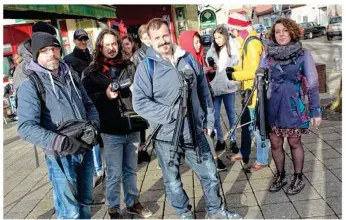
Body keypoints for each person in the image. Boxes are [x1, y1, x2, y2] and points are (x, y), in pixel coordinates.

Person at [132, 18, 241, 219]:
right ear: (150, 40)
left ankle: (216, 211)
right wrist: (170, 114)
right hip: (166, 137)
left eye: (165, 35)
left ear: (170, 34)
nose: (163, 41)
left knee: (210, 175)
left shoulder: (188, 58)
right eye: (157, 38)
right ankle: (184, 214)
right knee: (172, 181)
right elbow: (140, 103)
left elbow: (203, 91)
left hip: (195, 131)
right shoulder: (146, 67)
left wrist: (208, 120)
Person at [17, 32, 100, 219]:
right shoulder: (30, 85)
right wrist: (61, 142)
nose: (51, 54)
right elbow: (25, 127)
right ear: (37, 55)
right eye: (45, 51)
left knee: (86, 202)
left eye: (54, 49)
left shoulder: (71, 75)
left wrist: (94, 126)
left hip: (84, 149)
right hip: (60, 156)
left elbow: (88, 104)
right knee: (69, 211)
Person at [82, 29, 152, 219]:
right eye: (107, 45)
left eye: (114, 44)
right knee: (113, 173)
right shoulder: (92, 72)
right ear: (100, 47)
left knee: (130, 169)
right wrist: (104, 95)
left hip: (133, 124)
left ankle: (133, 202)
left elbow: (144, 90)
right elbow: (87, 101)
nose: (112, 48)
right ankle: (113, 208)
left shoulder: (129, 65)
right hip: (111, 129)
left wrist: (136, 90)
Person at [261, 18, 322, 195]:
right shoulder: (268, 53)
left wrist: (315, 110)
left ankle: (298, 177)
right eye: (277, 31)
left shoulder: (303, 54)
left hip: (293, 104)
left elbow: (312, 83)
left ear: (292, 32)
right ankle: (280, 175)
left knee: (294, 142)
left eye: (285, 30)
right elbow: (260, 76)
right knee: (275, 142)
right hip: (272, 104)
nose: (281, 34)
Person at [226, 12, 270, 171]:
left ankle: (262, 160)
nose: (231, 32)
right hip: (249, 93)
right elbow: (247, 67)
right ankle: (244, 153)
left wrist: (234, 75)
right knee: (246, 126)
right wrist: (235, 69)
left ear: (238, 28)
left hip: (256, 94)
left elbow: (253, 71)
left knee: (259, 129)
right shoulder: (246, 41)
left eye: (232, 29)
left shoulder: (251, 43)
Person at [178, 30, 227, 172]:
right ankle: (213, 161)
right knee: (205, 133)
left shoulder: (198, 59)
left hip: (206, 101)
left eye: (199, 41)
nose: (199, 45)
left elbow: (205, 84)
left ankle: (211, 160)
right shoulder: (185, 63)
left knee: (208, 131)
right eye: (195, 42)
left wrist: (210, 73)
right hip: (196, 106)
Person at [63, 28, 104, 188]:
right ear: (74, 41)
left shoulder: (92, 57)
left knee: (97, 137)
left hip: (97, 102)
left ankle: (99, 170)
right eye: (79, 39)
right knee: (89, 138)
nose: (83, 41)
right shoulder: (69, 60)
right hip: (83, 105)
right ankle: (96, 173)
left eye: (85, 38)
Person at [206, 25, 240, 152]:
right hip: (215, 90)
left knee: (231, 116)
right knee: (214, 117)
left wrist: (232, 83)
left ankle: (233, 141)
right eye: (215, 38)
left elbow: (238, 68)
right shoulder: (210, 52)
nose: (217, 40)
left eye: (219, 37)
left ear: (225, 35)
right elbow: (208, 70)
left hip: (228, 89)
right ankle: (220, 140)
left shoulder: (233, 51)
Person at [13, 21, 57, 91]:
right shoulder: (24, 69)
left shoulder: (55, 60)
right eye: (51, 38)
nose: (54, 42)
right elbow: (23, 98)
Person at [131, 24, 152, 164]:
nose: (148, 40)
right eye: (144, 38)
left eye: (148, 37)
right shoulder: (139, 55)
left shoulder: (154, 50)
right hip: (147, 94)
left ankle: (144, 149)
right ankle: (142, 150)